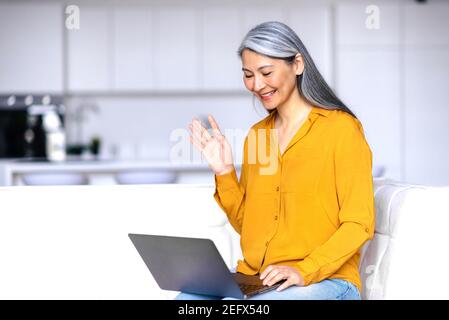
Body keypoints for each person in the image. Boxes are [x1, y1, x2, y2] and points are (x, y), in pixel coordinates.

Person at [179, 21, 374, 300]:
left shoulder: (341, 130)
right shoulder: (258, 136)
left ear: (297, 64)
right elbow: (251, 226)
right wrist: (224, 172)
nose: (257, 85)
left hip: (325, 280)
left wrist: (304, 270)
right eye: (248, 75)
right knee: (187, 301)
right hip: (258, 277)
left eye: (266, 72)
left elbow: (359, 223)